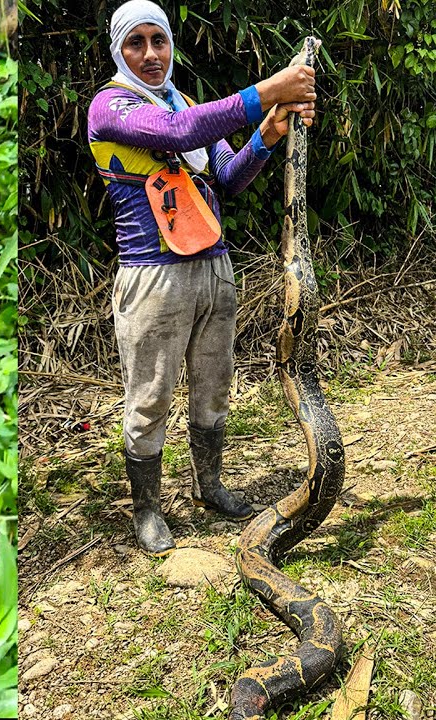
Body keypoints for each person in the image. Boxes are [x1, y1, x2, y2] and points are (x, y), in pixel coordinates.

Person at [87, 0, 316, 556]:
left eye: (158, 41)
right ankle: (147, 511)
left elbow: (229, 179)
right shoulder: (110, 107)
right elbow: (175, 130)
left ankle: (209, 486)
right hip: (152, 277)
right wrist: (266, 90)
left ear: (171, 44)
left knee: (213, 388)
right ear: (119, 49)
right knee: (150, 399)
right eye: (135, 42)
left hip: (213, 267)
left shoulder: (183, 100)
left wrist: (265, 134)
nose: (149, 54)